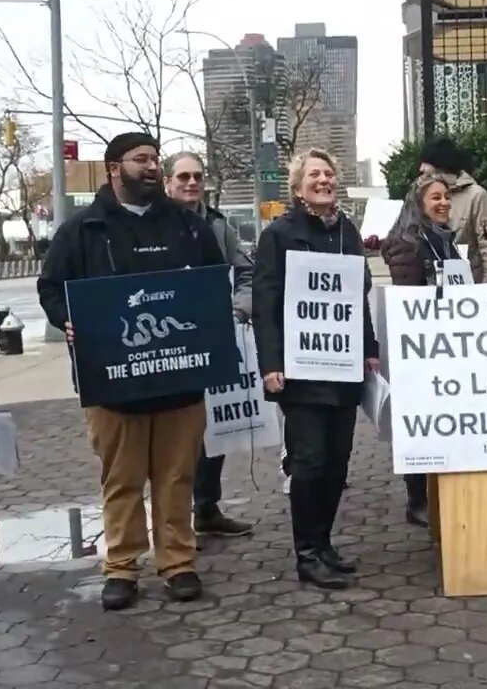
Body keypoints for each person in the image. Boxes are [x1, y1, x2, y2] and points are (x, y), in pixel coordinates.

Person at [36, 132, 229, 610]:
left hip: (179, 381)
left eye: (154, 159)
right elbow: (51, 288)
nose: (151, 167)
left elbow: (213, 284)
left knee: (176, 476)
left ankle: (178, 563)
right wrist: (68, 321)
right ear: (112, 168)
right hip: (112, 385)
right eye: (140, 159)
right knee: (121, 481)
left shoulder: (187, 226)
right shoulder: (82, 230)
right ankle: (121, 567)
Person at [252, 148, 380, 590]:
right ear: (297, 186)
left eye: (328, 173)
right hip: (301, 370)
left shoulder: (347, 231)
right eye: (314, 175)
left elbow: (355, 296)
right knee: (308, 463)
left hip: (343, 368)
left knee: (337, 464)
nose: (323, 180)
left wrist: (369, 347)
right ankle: (307, 553)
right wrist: (270, 363)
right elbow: (264, 305)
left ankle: (323, 543)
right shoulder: (278, 235)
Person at [163, 151, 255, 541]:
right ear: (167, 182)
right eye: (182, 176)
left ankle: (207, 507)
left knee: (213, 427)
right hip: (168, 342)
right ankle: (173, 520)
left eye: (197, 176)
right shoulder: (154, 226)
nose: (191, 183)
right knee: (175, 435)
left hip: (213, 337)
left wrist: (240, 307)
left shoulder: (218, 226)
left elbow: (247, 270)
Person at [381, 172, 461, 528]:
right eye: (436, 198)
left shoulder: (444, 239)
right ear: (419, 204)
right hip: (420, 348)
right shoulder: (407, 244)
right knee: (420, 423)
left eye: (446, 197)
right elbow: (410, 301)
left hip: (449, 344)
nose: (443, 202)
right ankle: (417, 499)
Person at [417, 136, 487, 283]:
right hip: (429, 287)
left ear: (440, 164)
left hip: (467, 286)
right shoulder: (420, 192)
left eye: (426, 163)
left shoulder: (476, 196)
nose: (421, 169)